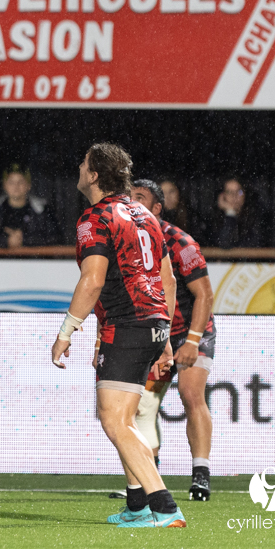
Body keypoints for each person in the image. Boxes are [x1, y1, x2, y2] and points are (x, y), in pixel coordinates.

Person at [50, 143, 184, 528]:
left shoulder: (95, 217)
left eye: (83, 163)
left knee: (114, 421)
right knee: (123, 419)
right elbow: (167, 279)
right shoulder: (145, 215)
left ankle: (165, 507)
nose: (78, 167)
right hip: (153, 322)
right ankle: (138, 506)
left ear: (93, 175)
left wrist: (66, 331)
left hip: (128, 324)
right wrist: (167, 335)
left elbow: (92, 281)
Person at [130, 179, 215, 503]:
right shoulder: (126, 238)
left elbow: (204, 294)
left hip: (192, 328)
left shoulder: (179, 241)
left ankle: (201, 476)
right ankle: (145, 478)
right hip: (155, 332)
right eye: (129, 198)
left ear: (156, 209)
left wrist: (192, 341)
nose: (132, 204)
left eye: (140, 199)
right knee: (141, 407)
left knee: (191, 393)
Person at [0, 164, 62, 248]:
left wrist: (24, 239)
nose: (16, 186)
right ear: (4, 185)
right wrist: (6, 241)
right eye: (11, 182)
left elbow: (56, 238)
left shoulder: (42, 211)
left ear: (28, 185)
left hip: (33, 263)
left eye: (20, 182)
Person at [202, 175, 262, 249]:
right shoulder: (214, 219)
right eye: (229, 192)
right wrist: (230, 213)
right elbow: (224, 243)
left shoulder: (255, 216)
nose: (234, 196)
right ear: (222, 196)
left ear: (245, 194)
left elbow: (251, 245)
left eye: (239, 192)